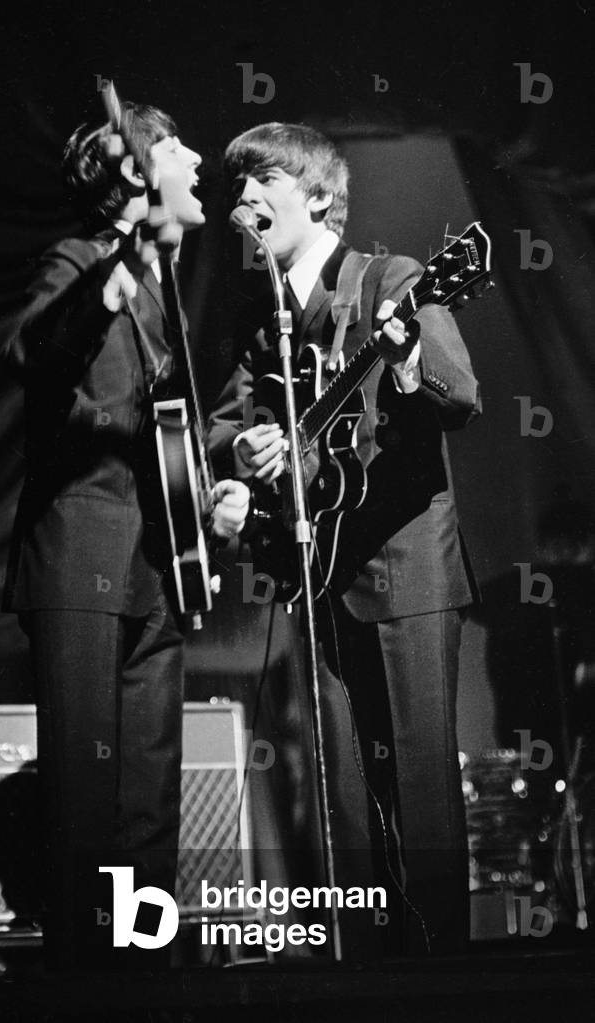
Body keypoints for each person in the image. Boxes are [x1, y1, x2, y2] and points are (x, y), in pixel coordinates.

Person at [208, 122, 481, 959]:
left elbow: (460, 392)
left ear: (319, 195)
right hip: (318, 575)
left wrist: (403, 361)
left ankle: (441, 975)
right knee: (346, 797)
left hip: (406, 571)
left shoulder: (390, 280)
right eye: (237, 187)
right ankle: (364, 971)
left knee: (421, 792)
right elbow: (224, 426)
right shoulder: (268, 324)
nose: (242, 201)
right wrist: (244, 452)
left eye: (263, 183)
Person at [2, 103, 249, 969]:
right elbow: (37, 353)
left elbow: (171, 432)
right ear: (136, 177)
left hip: (159, 569)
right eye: (178, 147)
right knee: (83, 806)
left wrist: (211, 493)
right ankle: (81, 988)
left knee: (149, 810)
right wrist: (99, 285)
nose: (196, 160)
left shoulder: (167, 293)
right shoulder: (80, 264)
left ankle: (145, 975)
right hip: (82, 560)